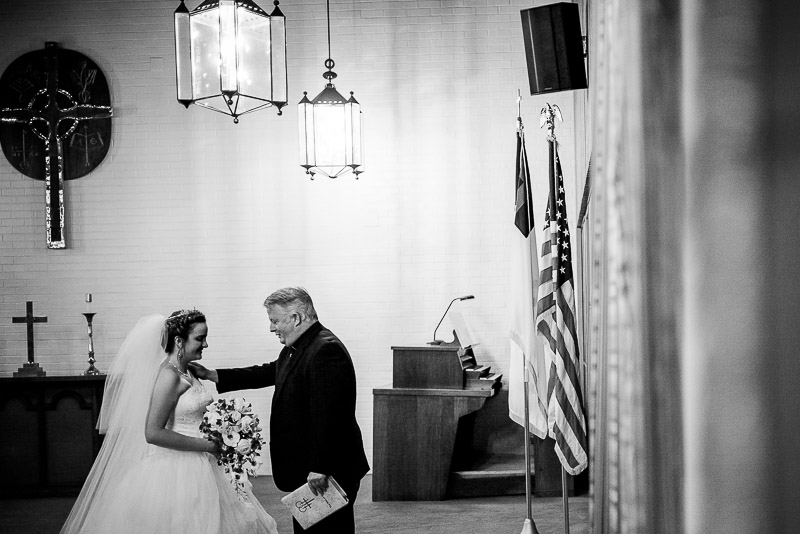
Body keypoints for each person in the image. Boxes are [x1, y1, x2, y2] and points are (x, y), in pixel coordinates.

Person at [60, 310, 279, 534]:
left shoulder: (188, 371)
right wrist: (210, 446)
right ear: (178, 341)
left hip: (203, 463)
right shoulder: (169, 375)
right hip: (178, 471)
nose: (205, 344)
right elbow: (153, 433)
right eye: (200, 338)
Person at [191, 287, 369, 534]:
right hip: (313, 469)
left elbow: (331, 416)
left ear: (296, 318)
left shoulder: (325, 350)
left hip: (327, 473)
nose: (272, 328)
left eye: (274, 321)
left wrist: (320, 466)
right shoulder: (302, 345)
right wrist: (214, 375)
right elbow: (270, 371)